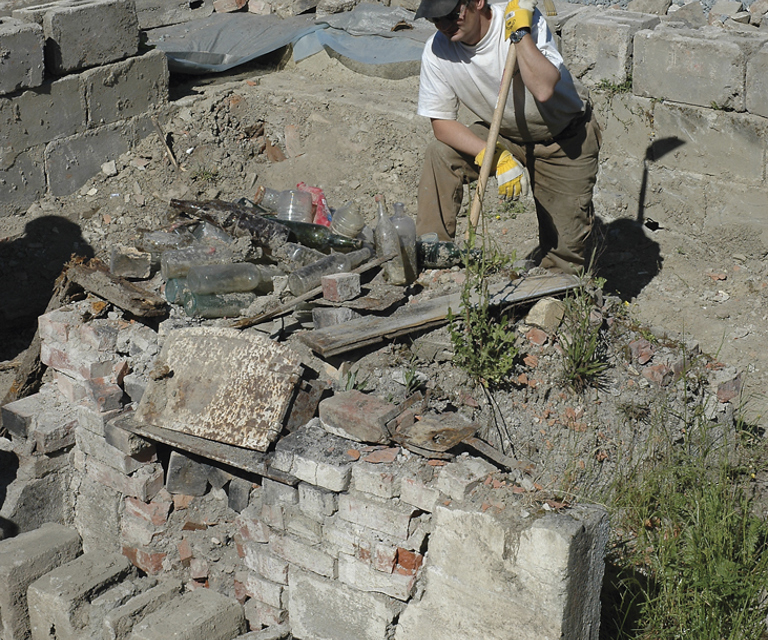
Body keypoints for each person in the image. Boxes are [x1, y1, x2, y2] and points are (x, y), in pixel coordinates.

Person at [414, 0, 601, 273]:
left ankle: (559, 291)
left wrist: (520, 34)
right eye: (435, 20)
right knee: (441, 153)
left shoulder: (519, 19)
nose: (444, 26)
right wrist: (494, 155)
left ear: (478, 2)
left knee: (564, 258)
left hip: (562, 140)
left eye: (452, 15)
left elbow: (543, 89)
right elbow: (441, 124)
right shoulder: (437, 50)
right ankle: (434, 252)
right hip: (505, 133)